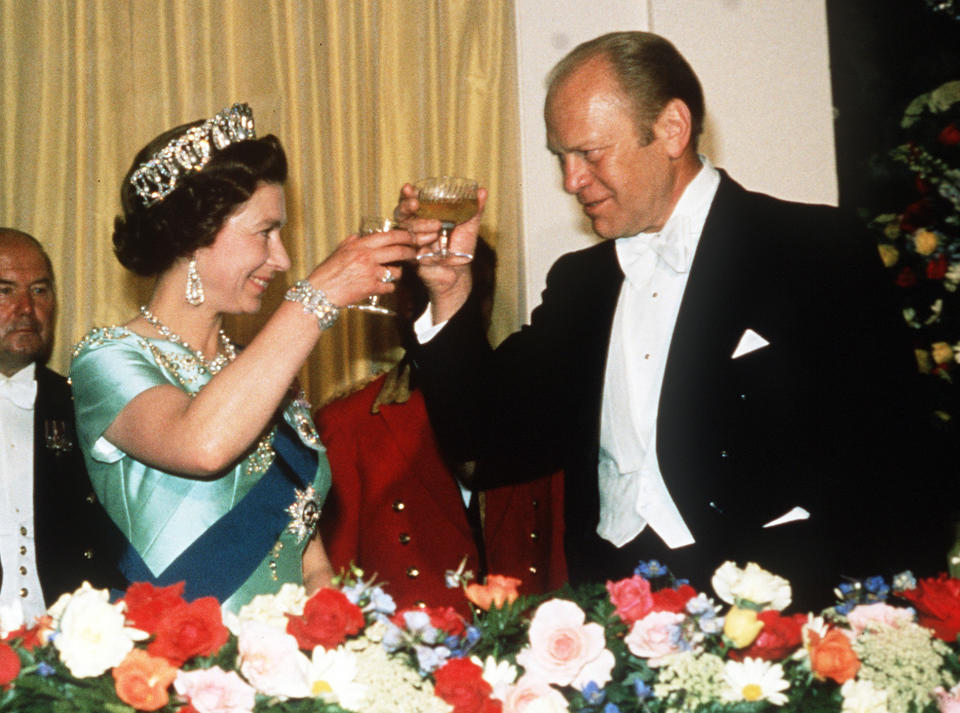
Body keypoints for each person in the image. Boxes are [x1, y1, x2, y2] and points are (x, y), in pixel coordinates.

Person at [397, 32, 952, 610]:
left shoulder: (814, 248)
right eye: (560, 158)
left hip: (781, 628)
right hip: (615, 628)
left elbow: (896, 467)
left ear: (671, 129)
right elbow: (485, 446)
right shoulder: (581, 283)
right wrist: (451, 291)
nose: (571, 181)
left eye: (589, 153)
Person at [69, 103, 416, 611]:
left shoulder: (263, 368)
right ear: (194, 235)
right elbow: (203, 443)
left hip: (284, 668)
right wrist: (316, 296)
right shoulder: (109, 359)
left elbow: (309, 554)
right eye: (264, 232)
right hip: (180, 668)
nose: (283, 260)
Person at [314, 240, 566, 615]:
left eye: (477, 292)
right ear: (404, 303)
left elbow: (557, 561)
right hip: (410, 657)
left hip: (527, 654)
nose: (461, 305)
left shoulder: (534, 407)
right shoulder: (349, 424)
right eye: (430, 290)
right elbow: (335, 584)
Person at [0, 228, 124, 619]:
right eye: (4, 290)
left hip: (61, 655)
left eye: (39, 291)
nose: (25, 308)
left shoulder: (83, 407)